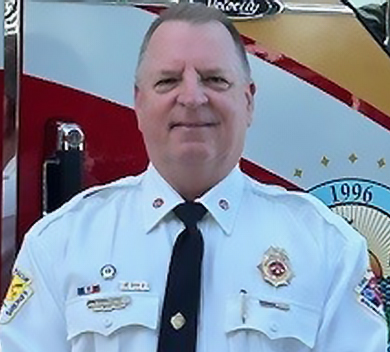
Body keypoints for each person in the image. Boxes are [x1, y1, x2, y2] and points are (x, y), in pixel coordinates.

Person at [0, 3, 387, 351]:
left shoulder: (327, 248)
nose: (191, 97)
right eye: (167, 80)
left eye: (214, 79)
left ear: (248, 100)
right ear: (138, 102)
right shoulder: (61, 243)